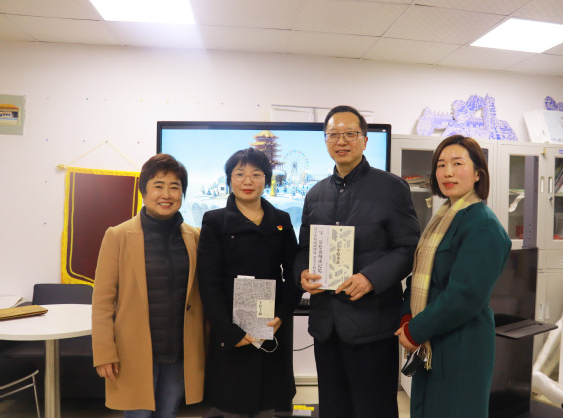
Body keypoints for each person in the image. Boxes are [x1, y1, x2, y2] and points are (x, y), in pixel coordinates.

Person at [294, 105, 420, 418]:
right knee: (333, 408)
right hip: (326, 326)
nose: (342, 141)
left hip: (372, 324)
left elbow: (408, 248)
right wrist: (302, 273)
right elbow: (304, 248)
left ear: (364, 140)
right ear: (325, 141)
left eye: (350, 134)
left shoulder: (392, 188)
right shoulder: (315, 194)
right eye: (333, 135)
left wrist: (370, 278)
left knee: (373, 409)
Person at [395, 135, 511, 418]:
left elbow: (465, 296)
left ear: (477, 173)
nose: (448, 172)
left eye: (458, 163)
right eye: (441, 165)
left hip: (461, 345)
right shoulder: (444, 218)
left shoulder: (482, 225)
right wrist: (407, 316)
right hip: (431, 340)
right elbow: (419, 274)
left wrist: (415, 330)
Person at [92, 154, 205, 417]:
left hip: (179, 352)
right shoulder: (118, 236)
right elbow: (102, 302)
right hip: (134, 352)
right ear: (144, 191)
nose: (166, 194)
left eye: (175, 187)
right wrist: (104, 353)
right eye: (158, 185)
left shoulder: (195, 238)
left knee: (168, 413)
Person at [197, 147, 302, 418]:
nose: (248, 181)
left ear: (266, 179)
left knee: (269, 402)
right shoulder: (214, 221)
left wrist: (281, 315)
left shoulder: (281, 220)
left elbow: (294, 273)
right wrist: (228, 331)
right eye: (240, 174)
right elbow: (208, 282)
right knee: (233, 402)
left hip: (270, 324)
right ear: (229, 179)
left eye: (256, 174)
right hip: (232, 326)